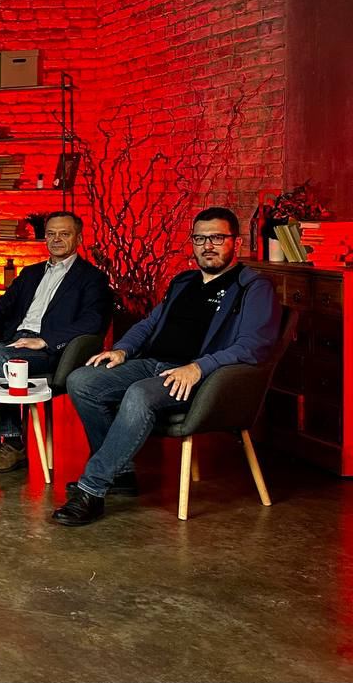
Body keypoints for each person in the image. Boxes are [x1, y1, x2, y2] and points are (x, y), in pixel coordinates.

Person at [53, 207, 281, 526]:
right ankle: (120, 473)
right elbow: (150, 323)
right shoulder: (184, 282)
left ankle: (92, 489)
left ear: (237, 242)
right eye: (200, 238)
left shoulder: (253, 287)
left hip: (199, 378)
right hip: (150, 364)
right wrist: (122, 350)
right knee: (82, 380)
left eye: (217, 238)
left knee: (139, 395)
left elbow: (253, 346)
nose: (208, 246)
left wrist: (198, 367)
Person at [0, 211, 113, 473]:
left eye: (64, 234)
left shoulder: (92, 278)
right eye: (51, 234)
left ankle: (13, 443)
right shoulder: (31, 273)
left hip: (50, 351)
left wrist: (45, 341)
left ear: (79, 238)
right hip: (11, 341)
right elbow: (2, 305)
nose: (56, 239)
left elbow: (93, 321)